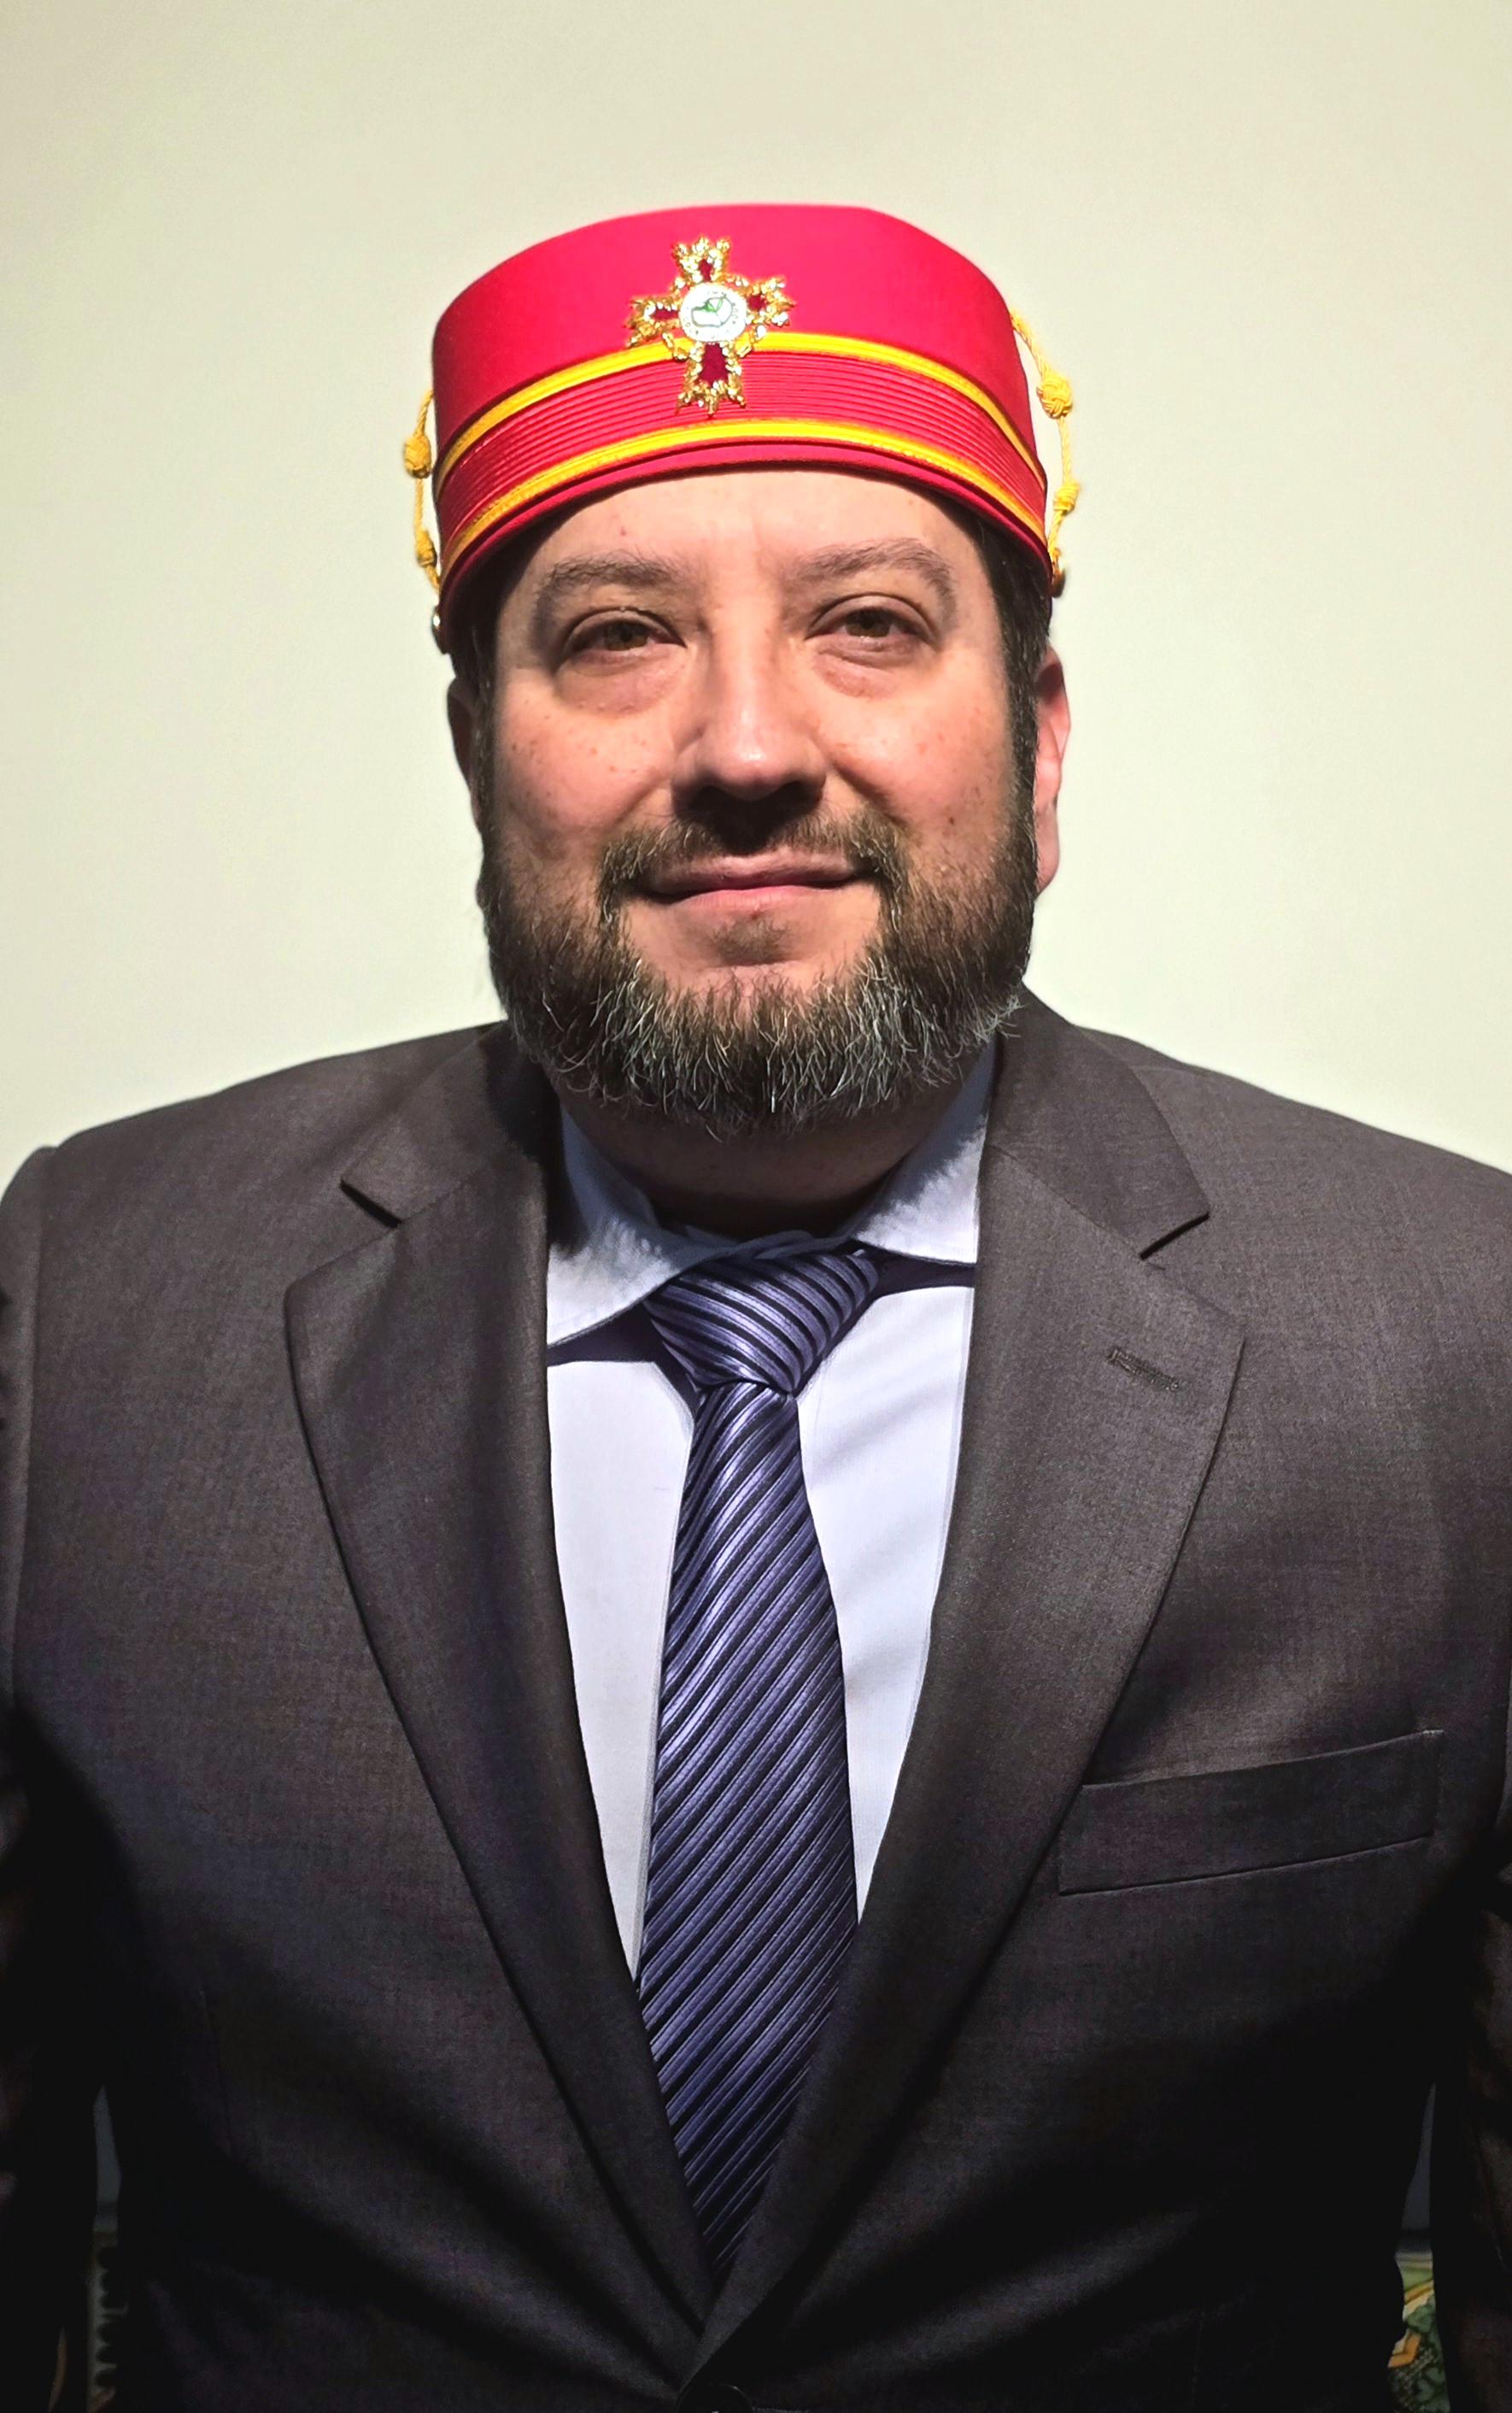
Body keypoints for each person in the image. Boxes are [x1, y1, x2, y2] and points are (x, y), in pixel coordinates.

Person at [1, 202, 1509, 2413]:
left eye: (869, 626)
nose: (742, 744)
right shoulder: (90, 1314)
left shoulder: (1452, 1340)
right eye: (616, 638)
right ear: (475, 756)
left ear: (1044, 747)